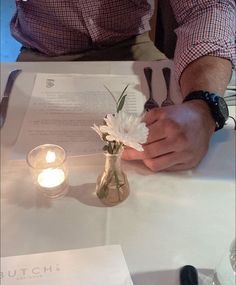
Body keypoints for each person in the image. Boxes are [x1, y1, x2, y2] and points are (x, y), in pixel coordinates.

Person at [11, 0, 235, 171]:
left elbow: (208, 6)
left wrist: (203, 104)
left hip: (131, 45)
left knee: (177, 159)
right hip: (43, 53)